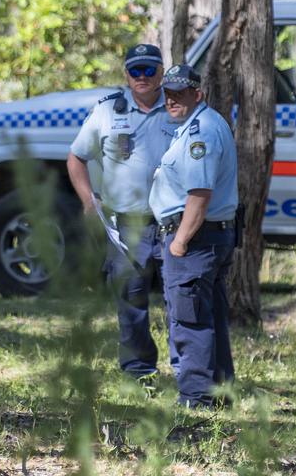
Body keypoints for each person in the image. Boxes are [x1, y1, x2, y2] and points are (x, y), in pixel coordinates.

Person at [67, 43, 177, 384]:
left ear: (161, 72)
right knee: (131, 304)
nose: (142, 77)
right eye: (135, 70)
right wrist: (89, 201)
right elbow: (76, 158)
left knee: (180, 301)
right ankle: (139, 372)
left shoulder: (178, 108)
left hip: (172, 224)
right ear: (126, 74)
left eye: (149, 70)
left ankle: (187, 374)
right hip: (125, 227)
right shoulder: (106, 111)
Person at [148, 64, 238, 408]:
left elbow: (199, 194)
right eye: (168, 94)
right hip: (208, 237)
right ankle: (219, 395)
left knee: (190, 321)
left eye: (180, 93)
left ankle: (197, 400)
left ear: (197, 94)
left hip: (195, 240)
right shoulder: (194, 126)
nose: (172, 100)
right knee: (209, 318)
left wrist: (180, 241)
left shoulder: (200, 132)